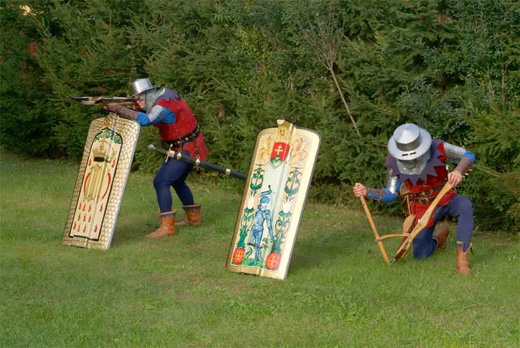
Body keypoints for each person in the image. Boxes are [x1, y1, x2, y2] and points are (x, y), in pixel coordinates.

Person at [352, 123, 475, 275]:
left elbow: (468, 155)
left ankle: (462, 261)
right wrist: (367, 191)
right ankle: (440, 237)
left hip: (445, 196)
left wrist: (458, 170)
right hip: (422, 209)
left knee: (465, 205)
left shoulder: (438, 147)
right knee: (421, 254)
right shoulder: (394, 163)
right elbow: (390, 194)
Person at [106, 78, 209, 238]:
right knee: (177, 181)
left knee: (161, 181)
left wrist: (119, 108)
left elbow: (147, 120)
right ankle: (193, 219)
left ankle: (167, 228)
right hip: (190, 145)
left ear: (148, 94)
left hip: (186, 148)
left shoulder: (161, 105)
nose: (137, 102)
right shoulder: (165, 95)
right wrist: (123, 107)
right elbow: (146, 112)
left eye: (139, 98)